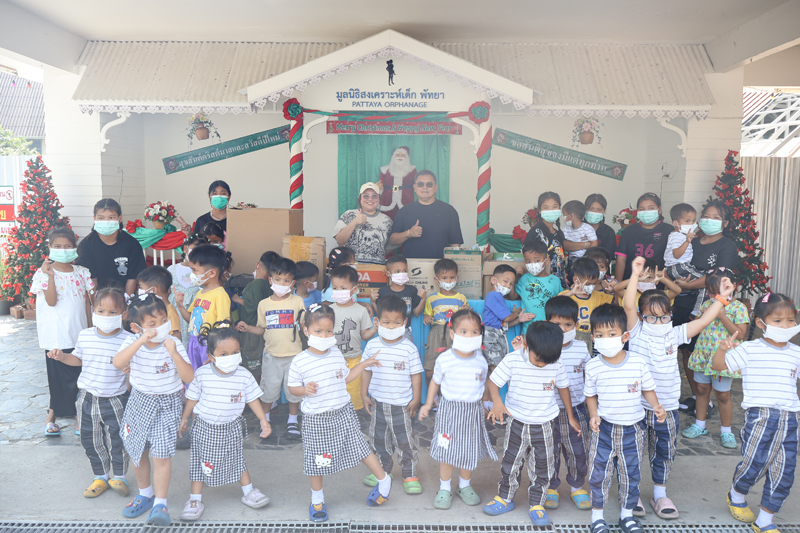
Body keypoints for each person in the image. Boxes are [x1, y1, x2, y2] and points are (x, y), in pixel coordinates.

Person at [622, 256, 735, 520]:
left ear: (670, 315)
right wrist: (635, 275)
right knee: (632, 452)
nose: (659, 322)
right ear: (641, 317)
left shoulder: (675, 334)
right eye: (652, 317)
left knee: (664, 451)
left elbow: (703, 321)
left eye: (664, 317)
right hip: (635, 406)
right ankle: (632, 493)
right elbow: (627, 305)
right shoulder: (636, 331)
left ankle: (660, 494)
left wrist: (721, 298)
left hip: (668, 407)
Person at [287, 304, 390, 521]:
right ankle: (317, 499)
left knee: (360, 447)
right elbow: (292, 388)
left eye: (328, 331)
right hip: (316, 418)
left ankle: (384, 480)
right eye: (318, 331)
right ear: (306, 330)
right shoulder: (300, 361)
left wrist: (364, 364)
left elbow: (345, 377)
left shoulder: (335, 352)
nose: (324, 336)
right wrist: (304, 390)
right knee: (317, 459)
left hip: (343, 412)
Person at [711, 293, 800, 532]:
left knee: (785, 471)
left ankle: (765, 521)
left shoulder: (796, 352)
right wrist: (721, 350)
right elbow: (718, 366)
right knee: (755, 463)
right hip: (761, 417)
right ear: (761, 323)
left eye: (791, 320)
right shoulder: (750, 349)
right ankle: (736, 494)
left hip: (790, 419)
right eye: (778, 321)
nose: (786, 326)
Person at [483, 322, 579, 526]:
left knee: (544, 467)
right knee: (510, 462)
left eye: (547, 361)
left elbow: (563, 388)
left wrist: (570, 416)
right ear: (526, 345)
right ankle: (505, 497)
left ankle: (537, 504)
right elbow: (493, 381)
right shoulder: (513, 360)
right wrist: (497, 403)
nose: (543, 364)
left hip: (544, 425)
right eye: (538, 359)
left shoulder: (556, 362)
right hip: (516, 422)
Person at [113, 294, 194, 526]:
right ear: (136, 327)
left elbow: (189, 377)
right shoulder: (133, 342)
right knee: (137, 450)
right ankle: (145, 493)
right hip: (139, 402)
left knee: (161, 455)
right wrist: (140, 340)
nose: (160, 326)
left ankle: (160, 503)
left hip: (168, 404)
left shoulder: (174, 343)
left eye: (163, 320)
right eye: (152, 324)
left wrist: (174, 353)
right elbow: (118, 362)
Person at [584, 304, 666, 533]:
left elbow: (647, 389)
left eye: (612, 334)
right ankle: (597, 517)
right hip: (604, 429)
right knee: (599, 474)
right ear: (593, 338)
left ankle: (627, 516)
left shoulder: (638, 362)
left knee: (631, 473)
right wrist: (593, 415)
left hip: (633, 429)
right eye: (600, 335)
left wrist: (656, 406)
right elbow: (590, 395)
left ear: (625, 336)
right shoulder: (593, 366)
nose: (606, 339)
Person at [178, 320, 271, 521]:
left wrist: (263, 420)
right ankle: (194, 499)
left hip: (231, 427)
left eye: (235, 352)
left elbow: (253, 399)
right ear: (211, 356)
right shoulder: (202, 374)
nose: (230, 357)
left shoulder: (244, 375)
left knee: (237, 459)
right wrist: (185, 417)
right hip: (204, 427)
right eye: (224, 354)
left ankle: (248, 492)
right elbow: (192, 398)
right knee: (200, 462)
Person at [47, 287, 130, 498]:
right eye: (101, 311)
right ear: (93, 310)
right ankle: (100, 476)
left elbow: (134, 369)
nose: (106, 316)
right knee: (90, 439)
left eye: (113, 312)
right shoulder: (85, 335)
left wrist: (131, 371)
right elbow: (79, 359)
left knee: (118, 439)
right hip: (86, 398)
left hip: (116, 399)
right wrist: (62, 357)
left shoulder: (129, 340)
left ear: (124, 314)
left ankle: (119, 477)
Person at [419, 309, 498, 510]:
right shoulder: (445, 359)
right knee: (446, 450)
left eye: (474, 332)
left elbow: (484, 384)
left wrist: (486, 404)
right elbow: (435, 382)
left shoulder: (481, 360)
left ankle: (464, 485)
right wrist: (428, 404)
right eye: (464, 331)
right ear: (452, 334)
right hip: (449, 411)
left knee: (468, 451)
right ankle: (444, 488)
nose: (469, 336)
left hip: (473, 412)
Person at [672, 199, 740, 413]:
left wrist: (687, 285)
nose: (710, 220)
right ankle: (697, 396)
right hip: (682, 302)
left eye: (716, 217)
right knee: (686, 350)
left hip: (707, 306)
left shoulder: (727, 246)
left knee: (704, 348)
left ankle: (706, 397)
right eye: (707, 216)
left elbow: (718, 276)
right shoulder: (692, 241)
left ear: (725, 223)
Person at [32, 226, 94, 436]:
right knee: (58, 380)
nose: (63, 250)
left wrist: (90, 329)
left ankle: (77, 416)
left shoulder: (82, 272)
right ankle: (53, 417)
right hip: (56, 336)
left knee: (78, 377)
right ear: (50, 248)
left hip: (78, 333)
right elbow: (51, 301)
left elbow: (87, 303)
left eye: (68, 246)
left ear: (75, 247)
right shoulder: (42, 273)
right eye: (57, 246)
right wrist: (50, 276)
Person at [360, 296, 424, 495]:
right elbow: (365, 371)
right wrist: (363, 394)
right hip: (378, 403)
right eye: (386, 322)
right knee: (378, 439)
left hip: (401, 405)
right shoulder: (372, 346)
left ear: (405, 322)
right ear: (377, 321)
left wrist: (416, 399)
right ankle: (382, 471)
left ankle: (410, 474)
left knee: (405, 441)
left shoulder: (409, 348)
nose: (391, 326)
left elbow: (416, 376)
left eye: (397, 322)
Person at [236, 258, 305, 438]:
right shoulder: (264, 304)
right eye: (278, 279)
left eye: (286, 280)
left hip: (294, 356)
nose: (282, 284)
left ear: (292, 283)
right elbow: (262, 329)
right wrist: (248, 328)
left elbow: (304, 324)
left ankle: (292, 420)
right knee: (268, 390)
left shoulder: (298, 302)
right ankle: (264, 420)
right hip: (271, 356)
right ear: (270, 280)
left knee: (293, 390)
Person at [682, 267, 749, 448]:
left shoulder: (739, 308)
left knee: (723, 394)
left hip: (724, 359)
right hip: (704, 355)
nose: (713, 296)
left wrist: (722, 316)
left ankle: (726, 431)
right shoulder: (707, 304)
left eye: (716, 292)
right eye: (711, 292)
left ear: (732, 287)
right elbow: (698, 323)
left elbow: (741, 334)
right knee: (701, 390)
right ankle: (700, 425)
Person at [544, 296, 592, 511]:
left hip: (577, 410)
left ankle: (576, 487)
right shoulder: (543, 348)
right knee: (549, 451)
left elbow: (590, 376)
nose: (562, 329)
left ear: (576, 324)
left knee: (577, 451)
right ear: (547, 323)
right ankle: (551, 488)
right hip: (548, 410)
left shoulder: (581, 347)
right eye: (556, 324)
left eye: (568, 324)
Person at [482, 264, 534, 408]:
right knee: (495, 370)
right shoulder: (493, 295)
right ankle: (493, 403)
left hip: (495, 335)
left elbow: (503, 324)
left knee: (491, 371)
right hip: (492, 338)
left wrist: (518, 319)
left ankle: (487, 403)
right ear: (493, 280)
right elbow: (506, 318)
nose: (508, 286)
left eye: (511, 284)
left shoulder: (498, 297)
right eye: (505, 281)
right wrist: (515, 313)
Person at [328, 265, 379, 411]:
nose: (338, 291)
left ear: (354, 289)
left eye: (343, 288)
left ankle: (351, 419)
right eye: (335, 288)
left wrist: (375, 329)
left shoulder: (361, 311)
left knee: (354, 395)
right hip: (333, 360)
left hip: (355, 361)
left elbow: (364, 336)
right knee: (334, 394)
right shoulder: (329, 311)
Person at [174, 245, 231, 370]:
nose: (192, 274)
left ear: (211, 273)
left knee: (208, 373)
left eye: (195, 270)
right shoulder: (200, 293)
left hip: (209, 344)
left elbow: (224, 326)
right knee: (194, 374)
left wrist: (217, 349)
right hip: (193, 341)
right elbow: (191, 319)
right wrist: (180, 306)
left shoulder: (220, 295)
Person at [76, 198, 146, 294]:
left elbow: (132, 278)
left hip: (124, 297)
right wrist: (95, 302)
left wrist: (126, 299)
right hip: (97, 298)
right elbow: (91, 281)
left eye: (111, 217)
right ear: (94, 218)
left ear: (119, 219)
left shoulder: (132, 244)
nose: (106, 221)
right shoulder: (86, 246)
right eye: (101, 218)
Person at [389, 170, 463, 259]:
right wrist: (408, 233)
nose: (425, 187)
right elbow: (393, 241)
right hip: (411, 265)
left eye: (429, 184)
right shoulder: (404, 211)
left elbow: (455, 245)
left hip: (440, 266)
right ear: (415, 187)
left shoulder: (449, 211)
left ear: (435, 187)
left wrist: (451, 265)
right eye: (420, 184)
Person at [233, 251, 279, 381]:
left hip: (251, 329)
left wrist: (237, 299)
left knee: (252, 363)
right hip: (263, 329)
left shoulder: (255, 285)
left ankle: (254, 388)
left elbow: (252, 305)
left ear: (257, 264)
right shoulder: (269, 285)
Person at [422, 259, 468, 387]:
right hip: (436, 334)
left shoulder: (461, 298)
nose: (448, 281)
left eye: (452, 277)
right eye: (444, 278)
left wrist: (465, 312)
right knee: (430, 370)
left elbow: (466, 319)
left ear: (457, 278)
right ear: (437, 280)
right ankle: (434, 397)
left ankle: (447, 396)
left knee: (453, 369)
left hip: (455, 334)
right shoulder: (432, 298)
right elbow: (427, 315)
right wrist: (427, 318)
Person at [614, 192, 674, 282]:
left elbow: (673, 261)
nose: (646, 212)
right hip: (631, 283)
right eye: (642, 209)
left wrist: (668, 286)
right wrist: (617, 285)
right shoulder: (630, 230)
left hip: (657, 284)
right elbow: (621, 259)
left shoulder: (668, 230)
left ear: (660, 210)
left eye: (651, 208)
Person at [560, 257, 615, 355]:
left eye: (594, 284)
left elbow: (617, 303)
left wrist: (612, 290)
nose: (591, 287)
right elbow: (553, 302)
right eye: (588, 284)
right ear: (576, 279)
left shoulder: (599, 296)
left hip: (591, 338)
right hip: (571, 338)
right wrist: (571, 293)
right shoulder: (567, 296)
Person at [333, 182, 393, 264]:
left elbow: (389, 247)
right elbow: (340, 241)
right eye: (366, 196)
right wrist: (354, 222)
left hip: (377, 268)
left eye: (374, 196)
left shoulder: (387, 220)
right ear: (360, 198)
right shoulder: (349, 214)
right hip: (352, 268)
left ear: (379, 199)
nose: (370, 199)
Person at [371, 254, 427, 341]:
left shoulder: (412, 290)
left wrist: (423, 299)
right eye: (397, 271)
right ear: (388, 273)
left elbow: (416, 313)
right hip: (386, 331)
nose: (401, 274)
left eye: (404, 271)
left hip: (405, 332)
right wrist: (373, 302)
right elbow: (379, 314)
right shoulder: (383, 291)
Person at [663, 203, 706, 315]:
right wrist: (687, 241)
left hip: (679, 267)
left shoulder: (681, 235)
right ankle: (697, 312)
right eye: (687, 221)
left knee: (701, 283)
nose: (692, 224)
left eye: (693, 220)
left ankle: (698, 310)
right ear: (676, 223)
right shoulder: (677, 236)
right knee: (706, 282)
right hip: (679, 267)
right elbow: (677, 254)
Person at [515, 240, 562, 335]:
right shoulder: (523, 279)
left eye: (537, 260)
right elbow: (512, 296)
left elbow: (560, 302)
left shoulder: (555, 280)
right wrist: (516, 276)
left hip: (550, 331)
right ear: (524, 262)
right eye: (528, 261)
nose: (532, 264)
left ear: (546, 260)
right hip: (528, 331)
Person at [169, 234, 207, 348]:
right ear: (185, 249)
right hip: (175, 312)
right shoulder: (172, 269)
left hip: (194, 313)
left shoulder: (203, 272)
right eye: (195, 249)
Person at [522, 192, 568, 288]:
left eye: (554, 207)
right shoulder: (535, 232)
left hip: (558, 284)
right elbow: (528, 258)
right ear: (540, 211)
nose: (551, 210)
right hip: (542, 285)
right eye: (546, 207)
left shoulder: (558, 233)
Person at [137, 266, 181, 341]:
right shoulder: (152, 308)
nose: (139, 290)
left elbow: (176, 337)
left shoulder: (170, 313)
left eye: (141, 287)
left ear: (153, 290)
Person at [378, 146, 417, 219]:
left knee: (405, 218)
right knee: (387, 219)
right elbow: (381, 184)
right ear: (393, 156)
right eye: (398, 155)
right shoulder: (385, 170)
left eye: (403, 155)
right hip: (388, 200)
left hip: (405, 199)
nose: (400, 157)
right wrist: (379, 188)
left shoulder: (412, 170)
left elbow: (416, 184)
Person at [584, 194, 617, 259]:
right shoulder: (577, 227)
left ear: (604, 211)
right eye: (591, 209)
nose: (594, 212)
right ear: (585, 209)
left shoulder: (608, 232)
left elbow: (608, 256)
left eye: (599, 210)